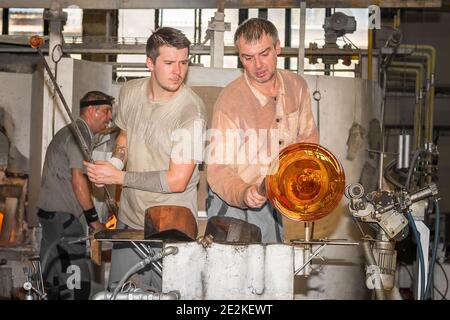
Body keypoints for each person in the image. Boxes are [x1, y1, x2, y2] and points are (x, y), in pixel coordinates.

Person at [84, 27, 206, 291]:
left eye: (184, 62)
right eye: (169, 63)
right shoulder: (129, 92)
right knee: (123, 293)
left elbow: (176, 180)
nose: (178, 71)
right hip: (130, 219)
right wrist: (114, 163)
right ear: (149, 62)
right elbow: (125, 136)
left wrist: (119, 177)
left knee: (171, 297)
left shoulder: (190, 112)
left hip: (173, 224)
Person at [206, 18, 319, 243]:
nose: (258, 65)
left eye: (264, 54)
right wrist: (243, 192)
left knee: (271, 268)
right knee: (234, 273)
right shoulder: (230, 100)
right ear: (240, 58)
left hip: (274, 197)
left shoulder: (297, 87)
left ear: (277, 48)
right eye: (248, 58)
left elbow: (307, 138)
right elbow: (217, 168)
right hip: (233, 202)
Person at [36, 90, 114, 299]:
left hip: (50, 215)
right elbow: (78, 180)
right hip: (65, 219)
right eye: (106, 111)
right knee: (79, 284)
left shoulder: (69, 132)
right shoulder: (79, 134)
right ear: (91, 110)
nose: (109, 117)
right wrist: (94, 221)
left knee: (53, 279)